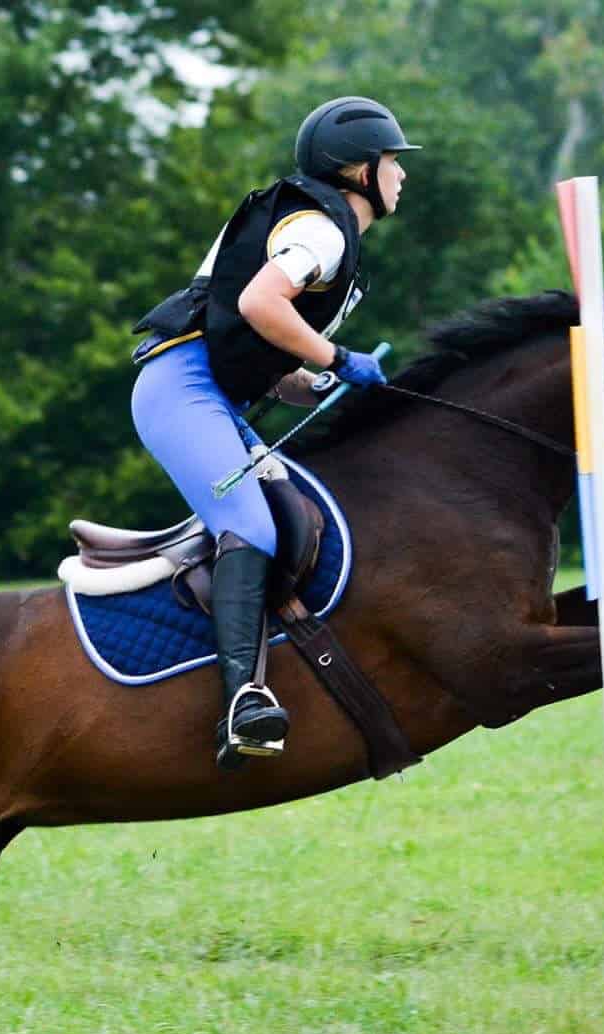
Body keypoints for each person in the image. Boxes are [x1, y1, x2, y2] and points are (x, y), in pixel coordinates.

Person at [129, 96, 417, 771]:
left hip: (211, 393)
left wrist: (311, 380)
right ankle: (241, 701)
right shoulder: (323, 230)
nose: (402, 175)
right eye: (394, 161)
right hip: (181, 386)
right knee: (253, 526)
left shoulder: (320, 227)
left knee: (295, 515)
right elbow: (261, 302)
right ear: (358, 169)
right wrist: (338, 358)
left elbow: (265, 344)